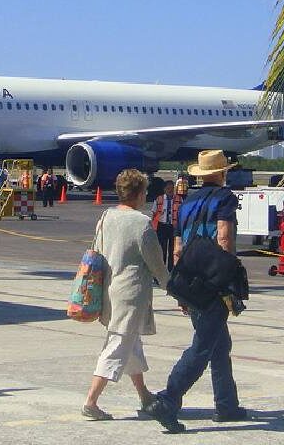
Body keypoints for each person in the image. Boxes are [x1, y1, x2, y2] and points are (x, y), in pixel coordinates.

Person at [144, 150, 246, 433]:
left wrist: (181, 289)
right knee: (202, 346)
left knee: (219, 343)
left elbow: (176, 248)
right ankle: (168, 399)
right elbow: (224, 236)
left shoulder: (186, 201)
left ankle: (227, 405)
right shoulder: (225, 198)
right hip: (213, 281)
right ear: (222, 173)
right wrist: (227, 278)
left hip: (189, 279)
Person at [82, 169, 170, 421]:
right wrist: (172, 287)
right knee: (118, 346)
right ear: (140, 194)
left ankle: (144, 396)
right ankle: (91, 401)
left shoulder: (106, 216)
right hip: (130, 295)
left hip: (108, 290)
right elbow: (156, 264)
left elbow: (96, 251)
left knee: (131, 345)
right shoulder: (141, 222)